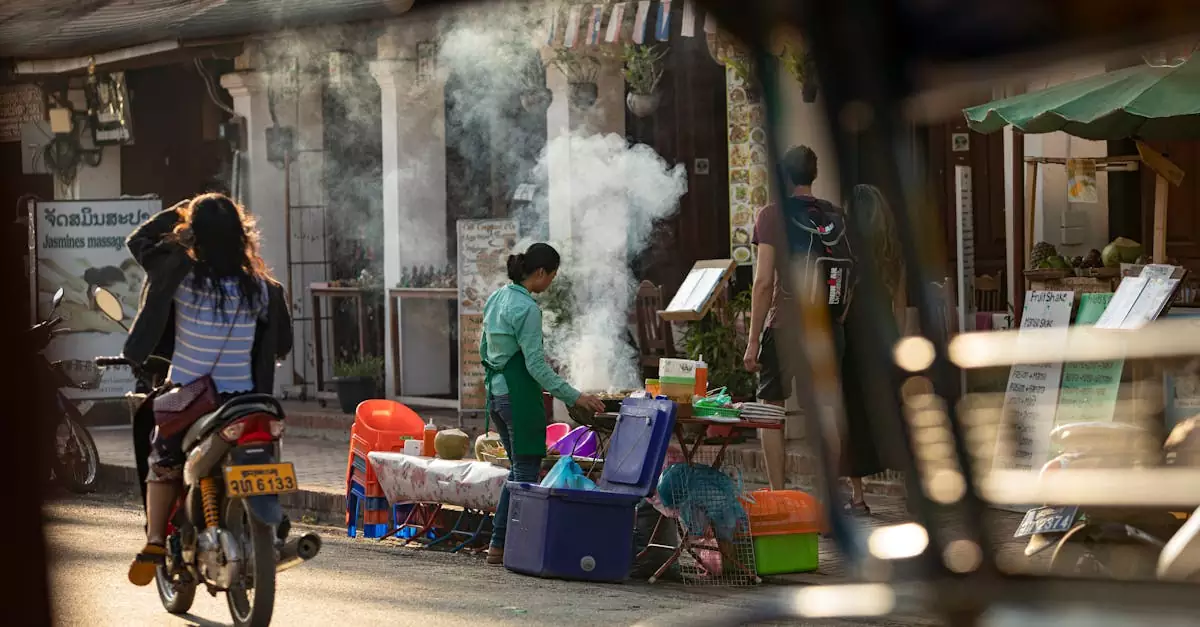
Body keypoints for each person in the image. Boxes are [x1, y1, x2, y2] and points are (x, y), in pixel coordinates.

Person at [121, 193, 293, 586]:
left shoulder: (179, 276)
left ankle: (153, 542)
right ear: (240, 234)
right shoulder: (264, 290)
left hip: (190, 399)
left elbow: (139, 240)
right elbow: (281, 345)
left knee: (161, 462)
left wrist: (182, 209)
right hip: (248, 402)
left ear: (193, 233)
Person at [743, 145, 873, 514]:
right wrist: (840, 318)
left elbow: (764, 282)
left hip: (785, 326)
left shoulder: (772, 216)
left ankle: (778, 496)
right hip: (829, 326)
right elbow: (854, 275)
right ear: (812, 175)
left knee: (771, 410)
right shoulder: (837, 216)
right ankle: (844, 497)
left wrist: (753, 341)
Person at [480, 243, 605, 565]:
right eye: (551, 275)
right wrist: (575, 396)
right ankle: (500, 543)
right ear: (539, 273)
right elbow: (535, 365)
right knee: (524, 472)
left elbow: (485, 348)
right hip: (518, 397)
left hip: (496, 394)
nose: (551, 282)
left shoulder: (498, 297)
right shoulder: (527, 309)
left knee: (518, 470)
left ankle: (502, 543)